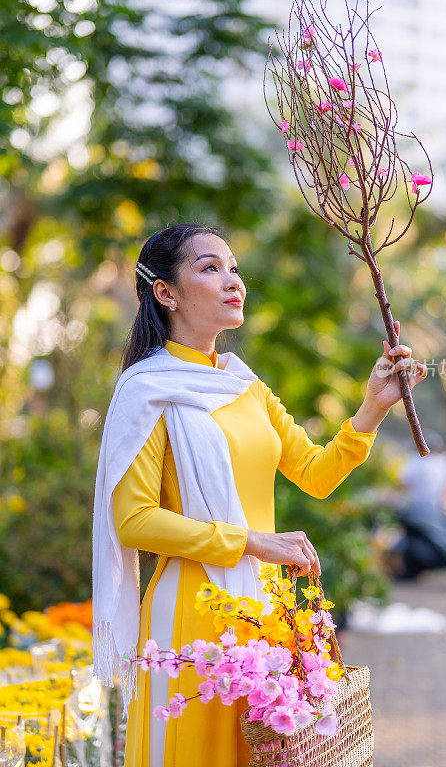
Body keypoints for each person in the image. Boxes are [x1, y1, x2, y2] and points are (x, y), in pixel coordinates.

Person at [91, 222, 428, 767]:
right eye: (210, 267)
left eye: (235, 269)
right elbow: (132, 521)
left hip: (263, 614)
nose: (233, 281)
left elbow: (316, 473)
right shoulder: (147, 390)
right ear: (166, 293)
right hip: (192, 621)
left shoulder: (244, 385)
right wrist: (253, 542)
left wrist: (375, 405)